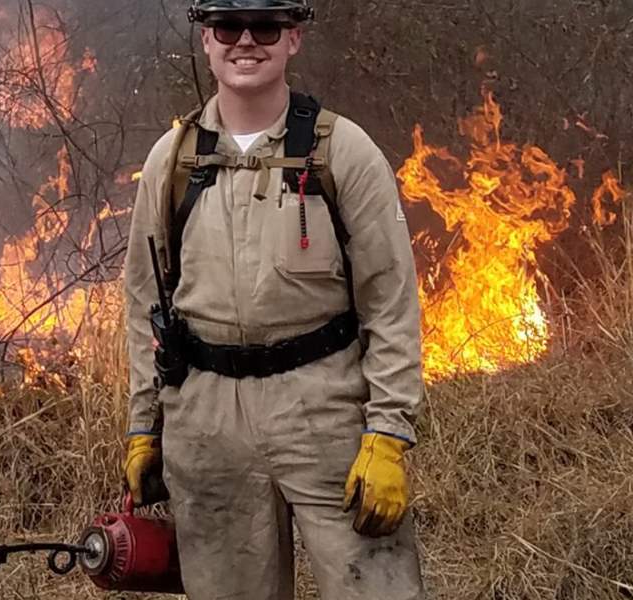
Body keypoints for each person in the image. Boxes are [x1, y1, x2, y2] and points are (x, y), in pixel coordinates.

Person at [118, 0, 428, 598]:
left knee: (376, 587)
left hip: (323, 409)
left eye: (265, 27)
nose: (246, 42)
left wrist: (388, 435)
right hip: (206, 421)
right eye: (229, 27)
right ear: (207, 39)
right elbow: (144, 306)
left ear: (293, 39)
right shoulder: (173, 160)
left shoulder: (343, 152)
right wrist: (143, 428)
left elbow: (390, 303)